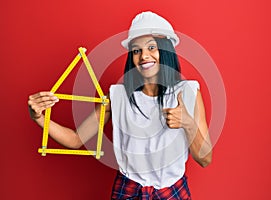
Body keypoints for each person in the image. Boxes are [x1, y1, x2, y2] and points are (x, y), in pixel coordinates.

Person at [28, 11, 212, 200]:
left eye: (151, 47)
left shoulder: (188, 93)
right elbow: (75, 140)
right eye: (136, 50)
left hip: (172, 192)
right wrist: (40, 118)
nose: (144, 56)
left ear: (166, 50)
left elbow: (205, 159)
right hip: (128, 191)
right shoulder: (118, 97)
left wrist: (188, 123)